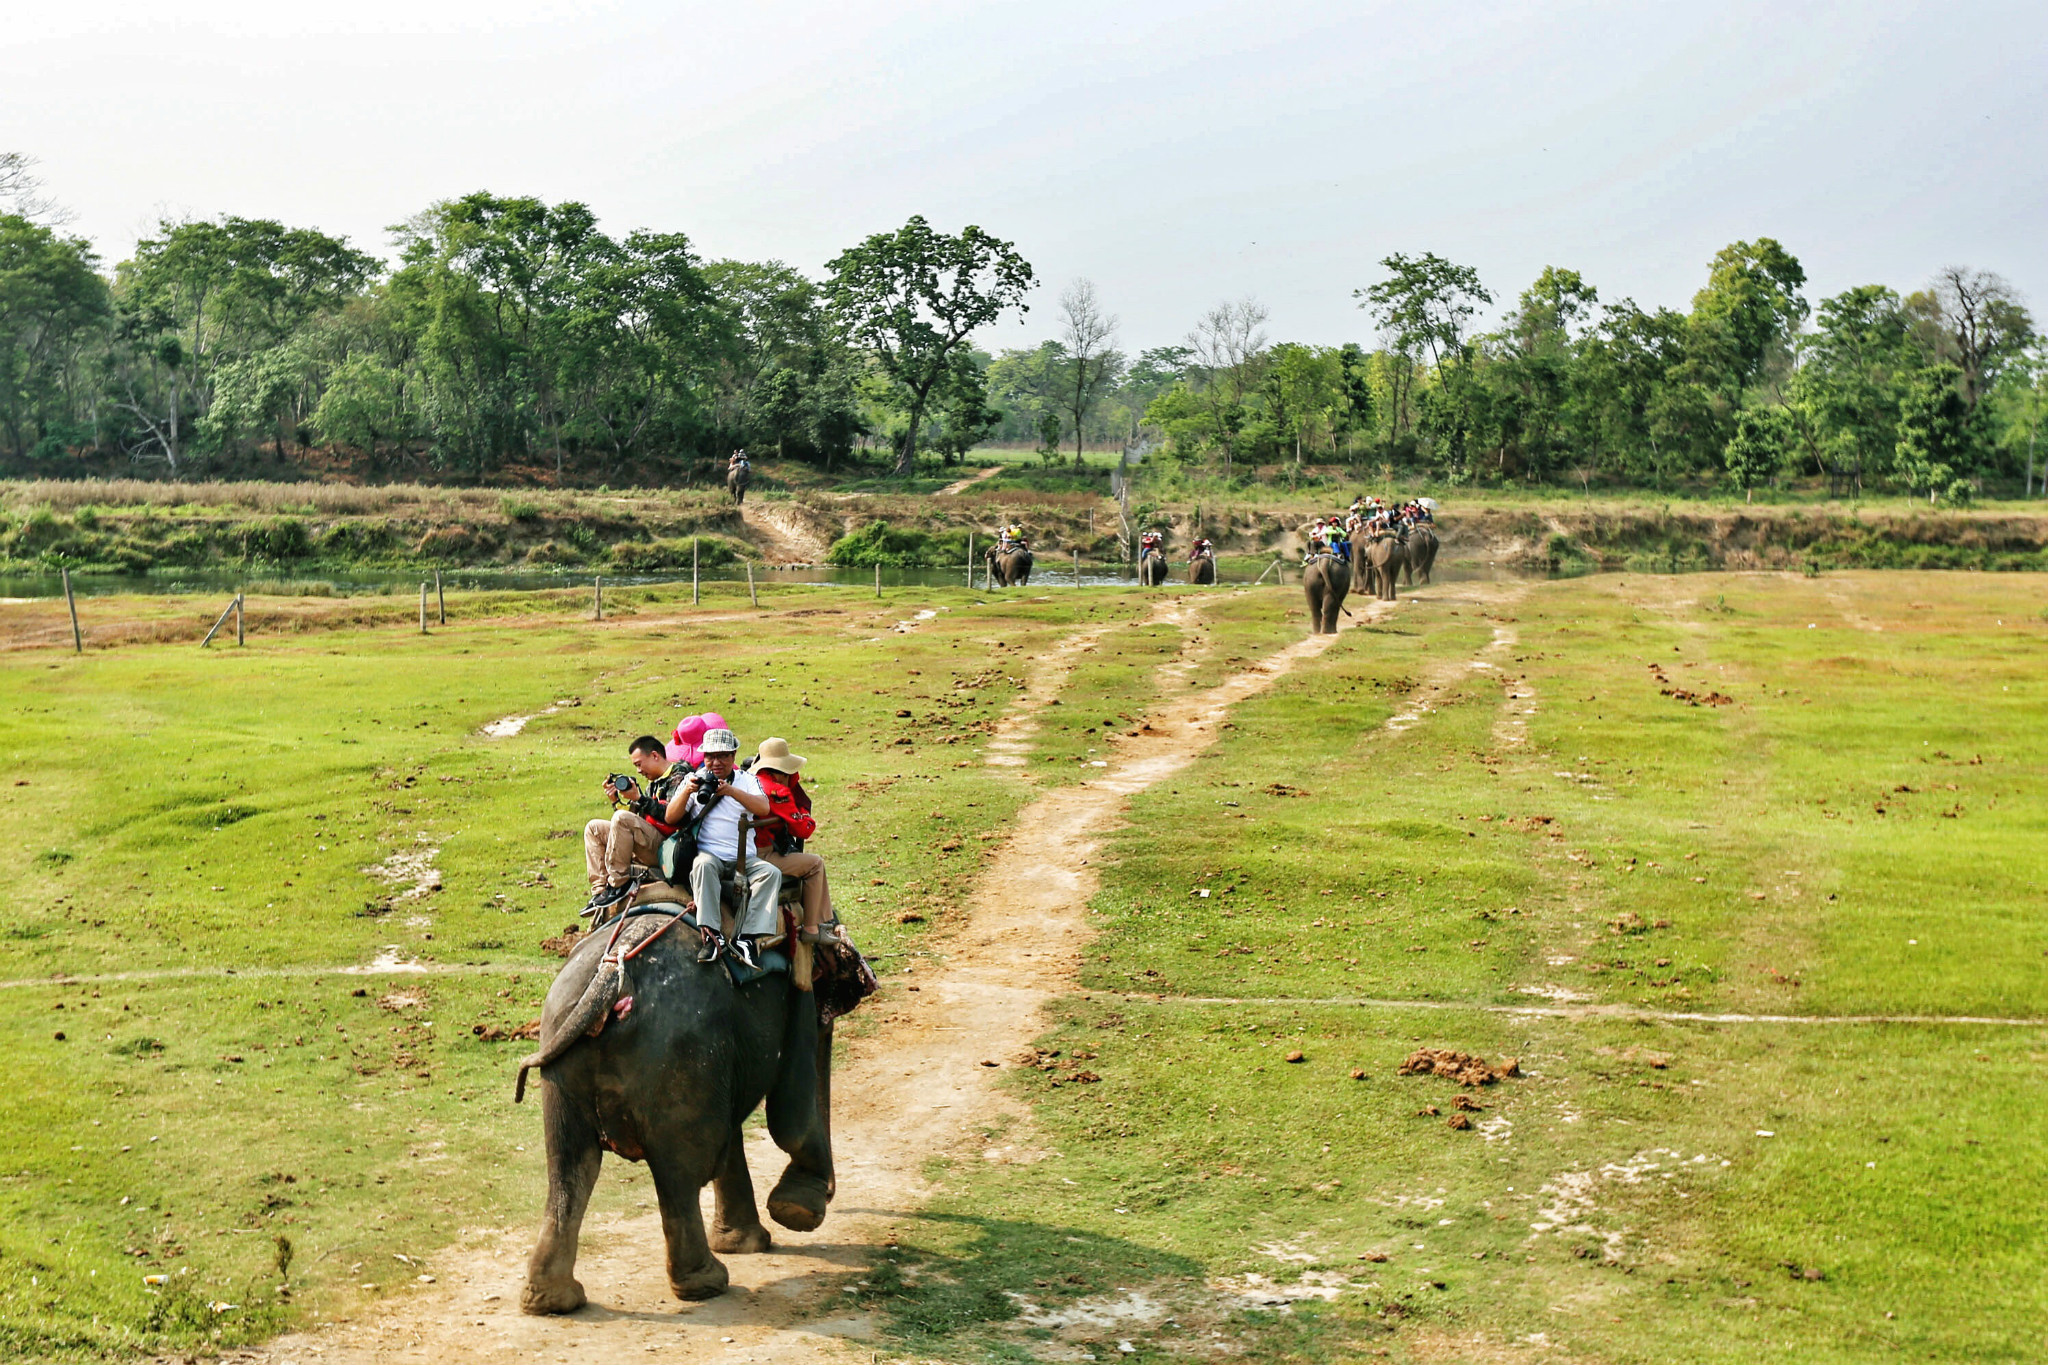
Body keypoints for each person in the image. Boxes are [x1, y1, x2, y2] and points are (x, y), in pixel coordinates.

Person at [666, 727, 781, 967]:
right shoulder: (692, 779)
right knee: (702, 864)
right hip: (711, 855)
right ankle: (712, 933)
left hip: (744, 859)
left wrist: (730, 791)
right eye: (710, 756)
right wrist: (688, 790)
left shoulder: (747, 780)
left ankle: (747, 937)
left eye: (723, 756)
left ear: (734, 755)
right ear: (703, 756)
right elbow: (671, 817)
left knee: (771, 873)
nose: (716, 762)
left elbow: (763, 808)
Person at [747, 738, 841, 946]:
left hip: (737, 851)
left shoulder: (748, 782)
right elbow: (804, 830)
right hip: (762, 854)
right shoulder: (777, 791)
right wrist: (804, 813)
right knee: (815, 864)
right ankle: (812, 928)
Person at [583, 736, 685, 914]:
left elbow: (671, 816)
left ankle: (618, 884)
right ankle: (599, 890)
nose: (638, 771)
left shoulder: (680, 776)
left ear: (654, 755)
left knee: (622, 819)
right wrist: (616, 800)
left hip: (671, 847)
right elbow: (629, 822)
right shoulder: (653, 784)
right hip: (651, 841)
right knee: (594, 828)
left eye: (639, 764)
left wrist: (639, 798)